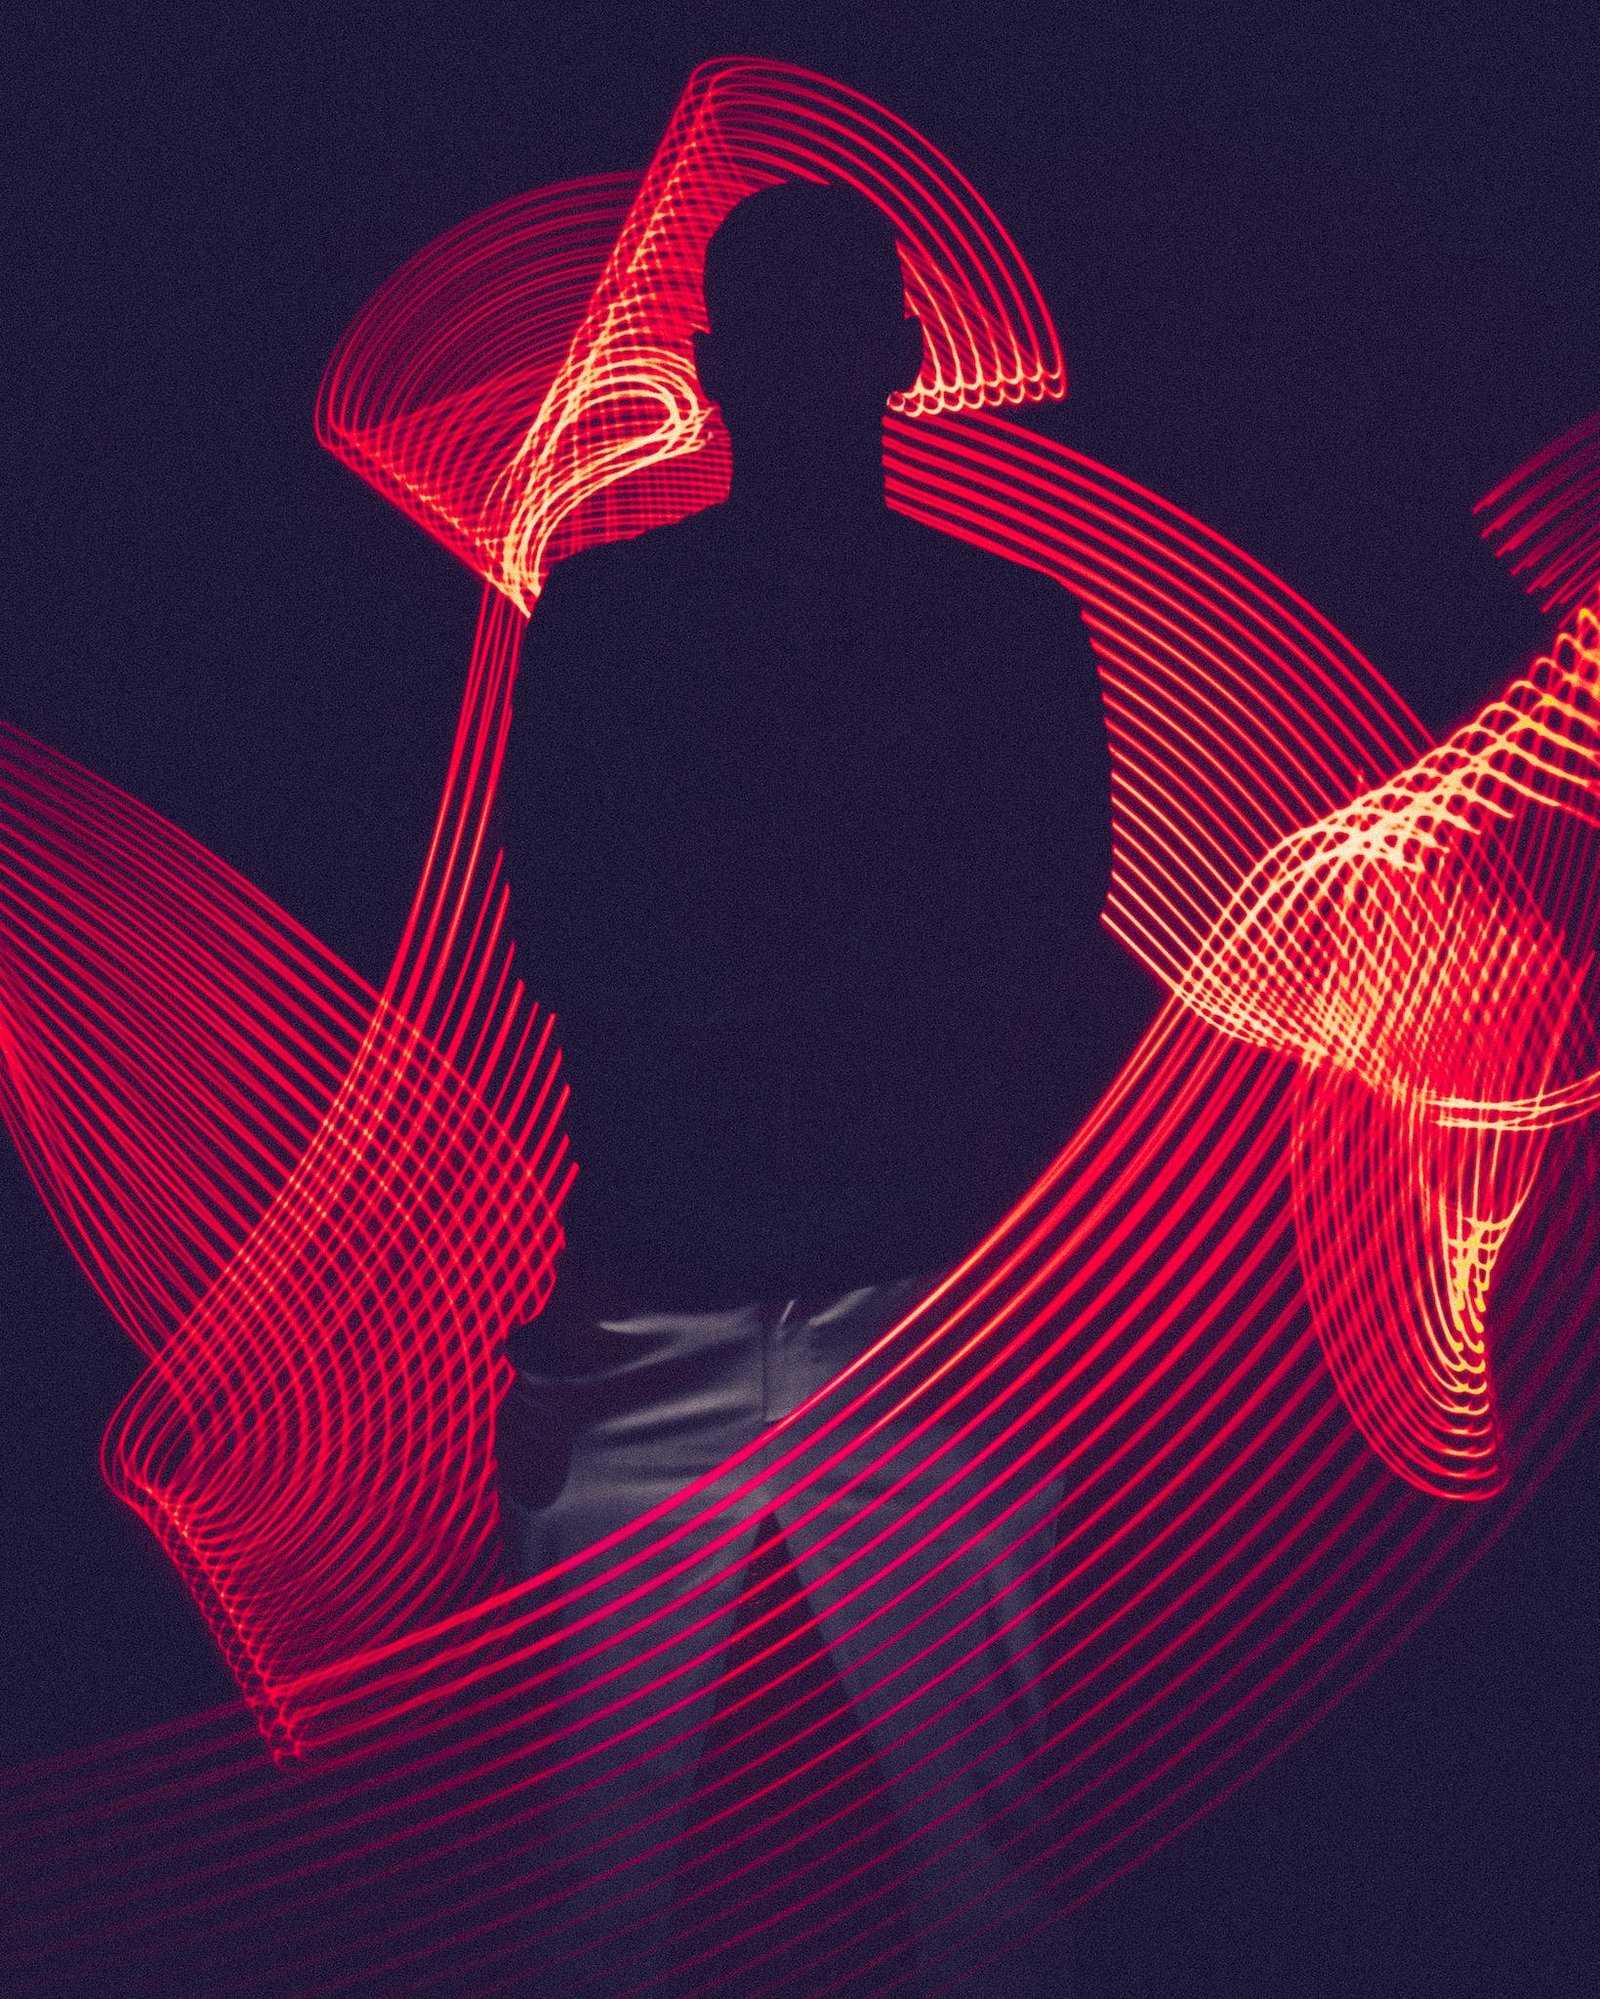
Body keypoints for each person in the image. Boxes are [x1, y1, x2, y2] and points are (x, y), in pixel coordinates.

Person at [494, 179, 1146, 1999]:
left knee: (600, 1896)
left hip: (732, 1283)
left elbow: (574, 925)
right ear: (902, 356)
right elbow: (1034, 946)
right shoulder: (991, 628)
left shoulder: (622, 621)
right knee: (972, 1889)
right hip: (869, 1291)